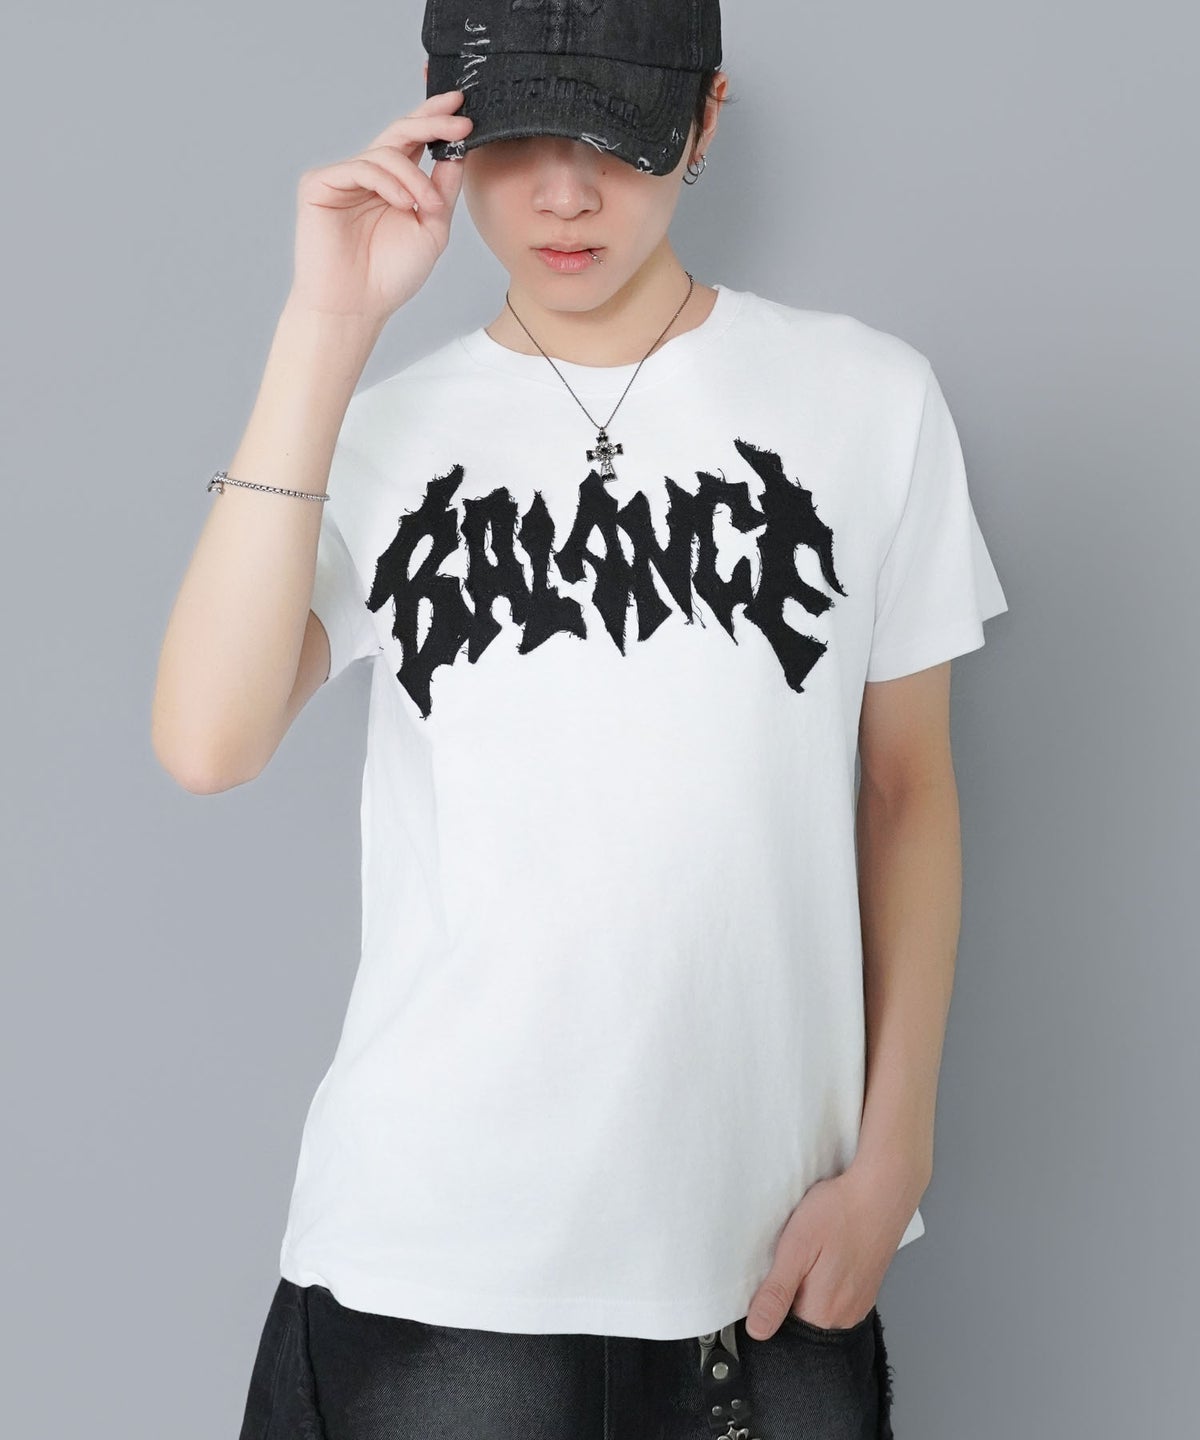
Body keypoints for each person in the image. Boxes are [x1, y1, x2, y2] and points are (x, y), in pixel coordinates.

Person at [152, 2, 1009, 1436]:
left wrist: (896, 1156)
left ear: (704, 117)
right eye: (518, 139)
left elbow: (905, 790)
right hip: (433, 1263)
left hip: (767, 1265)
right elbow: (206, 741)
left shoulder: (869, 401)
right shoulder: (381, 430)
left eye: (614, 137)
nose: (564, 195)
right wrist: (326, 328)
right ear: (444, 132)